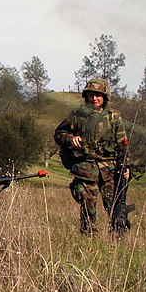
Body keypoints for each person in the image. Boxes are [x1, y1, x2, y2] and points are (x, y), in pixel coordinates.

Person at [54, 77, 129, 236]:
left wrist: (126, 167)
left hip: (109, 170)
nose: (94, 98)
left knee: (115, 206)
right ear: (86, 96)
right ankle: (89, 242)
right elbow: (59, 133)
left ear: (105, 96)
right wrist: (69, 139)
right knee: (88, 208)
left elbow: (122, 145)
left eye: (98, 95)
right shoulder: (77, 115)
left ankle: (118, 241)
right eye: (91, 95)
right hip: (85, 169)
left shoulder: (114, 117)